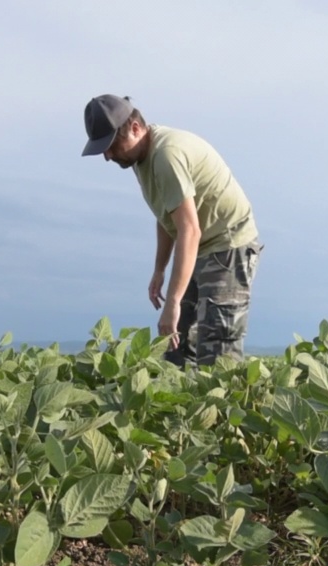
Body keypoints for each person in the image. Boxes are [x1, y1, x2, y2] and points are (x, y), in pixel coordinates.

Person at [81, 94, 263, 367]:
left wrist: (173, 302)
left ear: (134, 128)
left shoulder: (167, 155)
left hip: (228, 246)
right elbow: (168, 216)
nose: (107, 156)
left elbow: (189, 229)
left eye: (110, 146)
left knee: (218, 356)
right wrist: (159, 269)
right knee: (175, 348)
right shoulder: (140, 157)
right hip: (200, 246)